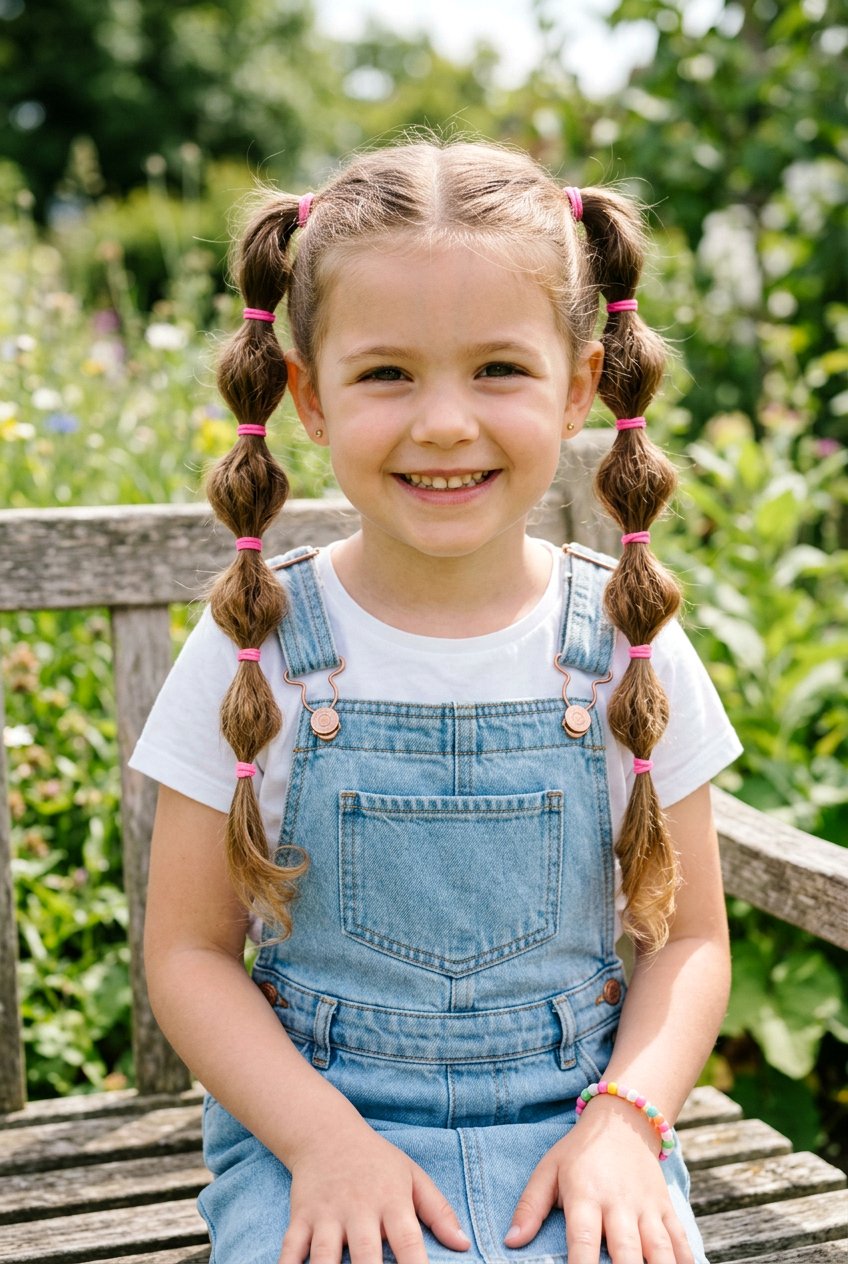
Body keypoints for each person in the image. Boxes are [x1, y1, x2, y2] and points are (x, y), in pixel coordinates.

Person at [131, 138, 742, 1264]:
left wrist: (626, 1118)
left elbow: (689, 938)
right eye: (387, 373)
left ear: (574, 386)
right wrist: (322, 1144)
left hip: (577, 1128)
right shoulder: (255, 647)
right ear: (309, 397)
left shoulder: (620, 639)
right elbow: (187, 952)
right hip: (316, 1127)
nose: (445, 422)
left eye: (497, 370)